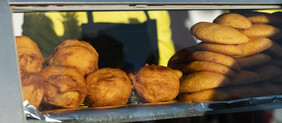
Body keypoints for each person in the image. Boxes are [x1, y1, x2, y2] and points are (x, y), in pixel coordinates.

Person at [22, 11, 176, 72]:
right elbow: (44, 75)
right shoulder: (51, 12)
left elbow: (166, 64)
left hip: (146, 118)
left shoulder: (153, 7)